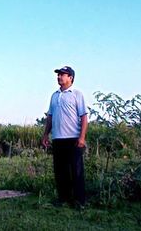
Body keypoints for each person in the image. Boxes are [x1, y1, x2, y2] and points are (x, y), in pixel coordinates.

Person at [41, 65, 88, 207]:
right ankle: (63, 199)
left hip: (73, 139)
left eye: (62, 74)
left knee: (76, 171)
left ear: (70, 78)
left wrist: (82, 137)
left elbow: (84, 117)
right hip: (58, 138)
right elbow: (50, 117)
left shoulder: (77, 94)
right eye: (58, 74)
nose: (59, 77)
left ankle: (79, 201)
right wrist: (45, 135)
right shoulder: (54, 95)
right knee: (60, 171)